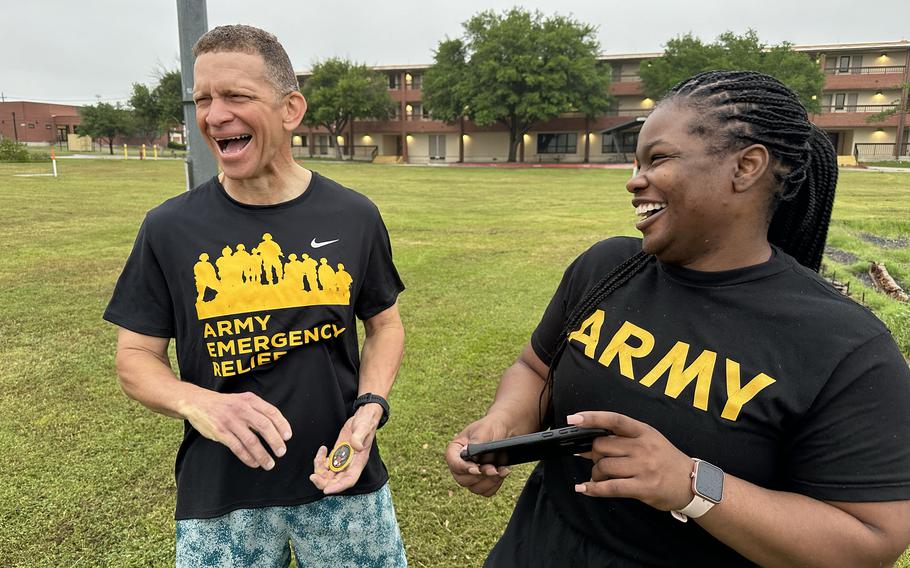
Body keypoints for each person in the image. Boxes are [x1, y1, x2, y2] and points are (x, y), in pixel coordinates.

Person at [445, 70, 910, 567]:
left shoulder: (843, 344)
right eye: (636, 161)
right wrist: (501, 424)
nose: (633, 180)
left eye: (658, 158)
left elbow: (871, 538)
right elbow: (535, 369)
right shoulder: (606, 268)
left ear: (746, 166)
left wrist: (691, 484)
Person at [104, 24, 407, 567]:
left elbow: (385, 324)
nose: (214, 116)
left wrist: (369, 408)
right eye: (202, 99)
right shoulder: (169, 227)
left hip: (340, 477)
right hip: (221, 493)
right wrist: (198, 401)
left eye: (236, 97)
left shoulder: (354, 216)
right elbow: (135, 357)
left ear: (290, 109)